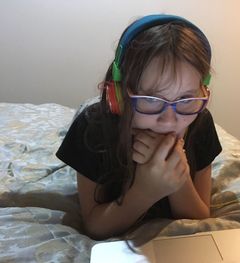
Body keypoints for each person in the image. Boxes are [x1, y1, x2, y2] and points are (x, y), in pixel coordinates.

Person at [56, 14, 222, 240]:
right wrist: (145, 191)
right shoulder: (91, 128)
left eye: (185, 98)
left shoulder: (200, 123)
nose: (169, 120)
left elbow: (199, 220)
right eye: (151, 99)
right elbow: (95, 227)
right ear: (119, 96)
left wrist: (177, 178)